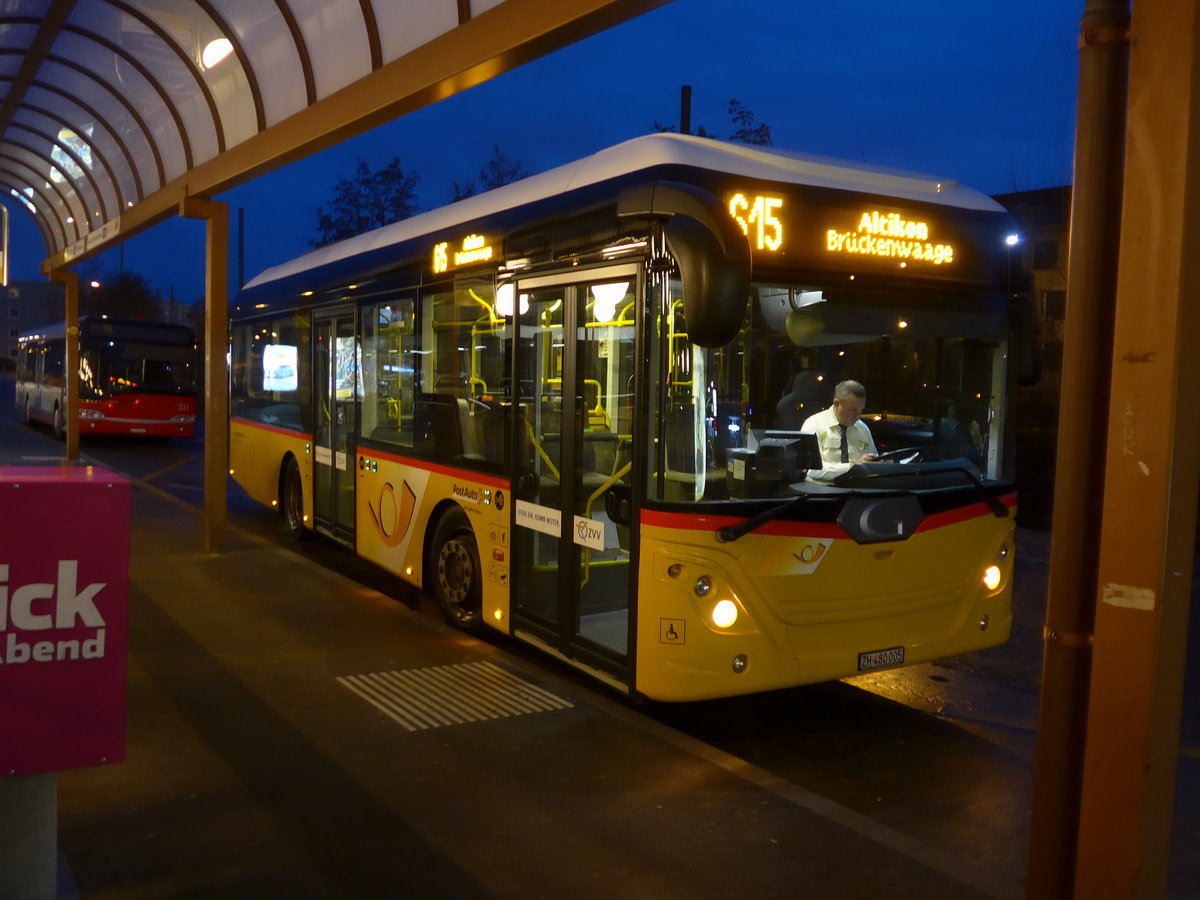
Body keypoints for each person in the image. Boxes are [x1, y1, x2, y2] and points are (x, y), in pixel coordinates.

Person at [800, 379, 877, 480]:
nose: (858, 415)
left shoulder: (863, 428)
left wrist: (880, 464)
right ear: (836, 403)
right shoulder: (814, 425)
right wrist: (854, 467)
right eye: (853, 410)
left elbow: (872, 465)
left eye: (861, 410)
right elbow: (811, 470)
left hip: (857, 487)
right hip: (823, 488)